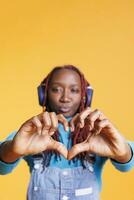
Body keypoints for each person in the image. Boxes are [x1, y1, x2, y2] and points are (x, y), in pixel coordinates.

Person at [0, 65, 134, 200]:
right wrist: (13, 150)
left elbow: (127, 165)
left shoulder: (96, 130)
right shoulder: (34, 130)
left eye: (74, 90)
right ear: (43, 94)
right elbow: (2, 167)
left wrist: (123, 152)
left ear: (85, 96)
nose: (65, 98)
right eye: (56, 90)